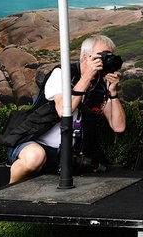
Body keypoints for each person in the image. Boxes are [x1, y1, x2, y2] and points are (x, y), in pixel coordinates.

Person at [7, 35, 126, 184]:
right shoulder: (61, 73)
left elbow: (118, 126)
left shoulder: (100, 85)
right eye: (102, 56)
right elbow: (64, 111)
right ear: (85, 57)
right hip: (35, 143)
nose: (105, 61)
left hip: (67, 155)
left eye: (109, 56)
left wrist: (112, 93)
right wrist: (86, 77)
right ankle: (7, 196)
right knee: (35, 157)